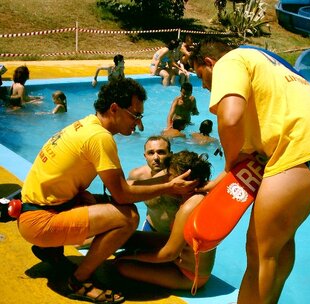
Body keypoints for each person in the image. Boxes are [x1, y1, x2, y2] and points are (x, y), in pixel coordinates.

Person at [189, 38, 310, 304]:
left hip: (297, 150)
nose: (203, 85)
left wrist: (229, 163)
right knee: (279, 245)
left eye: (201, 75)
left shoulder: (230, 60)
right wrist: (222, 179)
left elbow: (230, 117)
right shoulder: (265, 64)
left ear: (209, 63)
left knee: (259, 251)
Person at [17, 78, 197, 304]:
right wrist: (170, 186)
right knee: (128, 217)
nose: (138, 124)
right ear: (114, 109)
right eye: (135, 115)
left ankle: (51, 250)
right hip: (40, 221)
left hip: (35, 208)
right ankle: (78, 280)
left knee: (110, 203)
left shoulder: (85, 125)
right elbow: (123, 194)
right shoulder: (99, 138)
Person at [116, 150, 216, 292]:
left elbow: (169, 254)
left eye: (171, 175)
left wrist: (134, 256)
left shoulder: (189, 207)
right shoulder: (198, 195)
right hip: (180, 256)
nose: (168, 179)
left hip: (188, 274)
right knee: (128, 237)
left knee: (122, 266)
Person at [128, 135, 181, 233]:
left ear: (171, 155)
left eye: (161, 152)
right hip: (152, 228)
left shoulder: (181, 175)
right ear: (145, 156)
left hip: (179, 232)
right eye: (151, 153)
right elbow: (123, 197)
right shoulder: (137, 176)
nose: (156, 157)